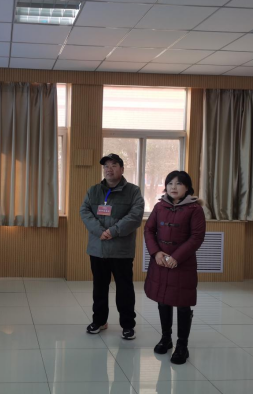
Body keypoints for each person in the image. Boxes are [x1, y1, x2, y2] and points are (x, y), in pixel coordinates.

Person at [80, 154, 145, 340]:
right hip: (98, 248)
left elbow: (135, 216)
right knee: (99, 288)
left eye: (114, 165)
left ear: (122, 169)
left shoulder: (133, 191)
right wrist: (99, 230)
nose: (109, 169)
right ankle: (99, 321)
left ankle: (128, 325)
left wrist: (113, 231)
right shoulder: (94, 191)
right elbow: (85, 211)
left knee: (124, 289)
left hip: (121, 250)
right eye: (106, 166)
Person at [144, 171, 206, 365]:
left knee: (183, 303)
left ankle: (182, 345)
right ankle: (166, 338)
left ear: (187, 188)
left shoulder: (195, 209)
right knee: (163, 300)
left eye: (178, 184)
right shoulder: (159, 206)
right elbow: (149, 230)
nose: (173, 187)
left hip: (182, 263)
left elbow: (196, 237)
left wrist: (176, 257)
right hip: (161, 262)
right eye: (170, 183)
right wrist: (156, 253)